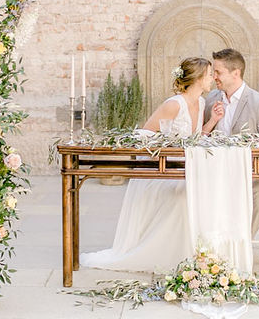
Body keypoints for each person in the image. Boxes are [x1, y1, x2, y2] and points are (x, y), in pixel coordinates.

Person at [80, 57, 218, 272]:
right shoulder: (173, 105)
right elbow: (143, 136)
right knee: (184, 194)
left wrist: (213, 120)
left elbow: (196, 138)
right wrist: (168, 150)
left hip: (182, 169)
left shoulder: (200, 103)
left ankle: (188, 252)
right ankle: (164, 254)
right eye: (210, 74)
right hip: (158, 170)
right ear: (199, 77)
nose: (213, 78)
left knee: (200, 192)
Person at [203, 48, 259, 236]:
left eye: (218, 72)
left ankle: (242, 245)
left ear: (235, 73)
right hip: (214, 169)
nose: (214, 77)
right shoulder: (210, 99)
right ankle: (209, 243)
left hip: (250, 171)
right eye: (213, 73)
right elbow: (201, 134)